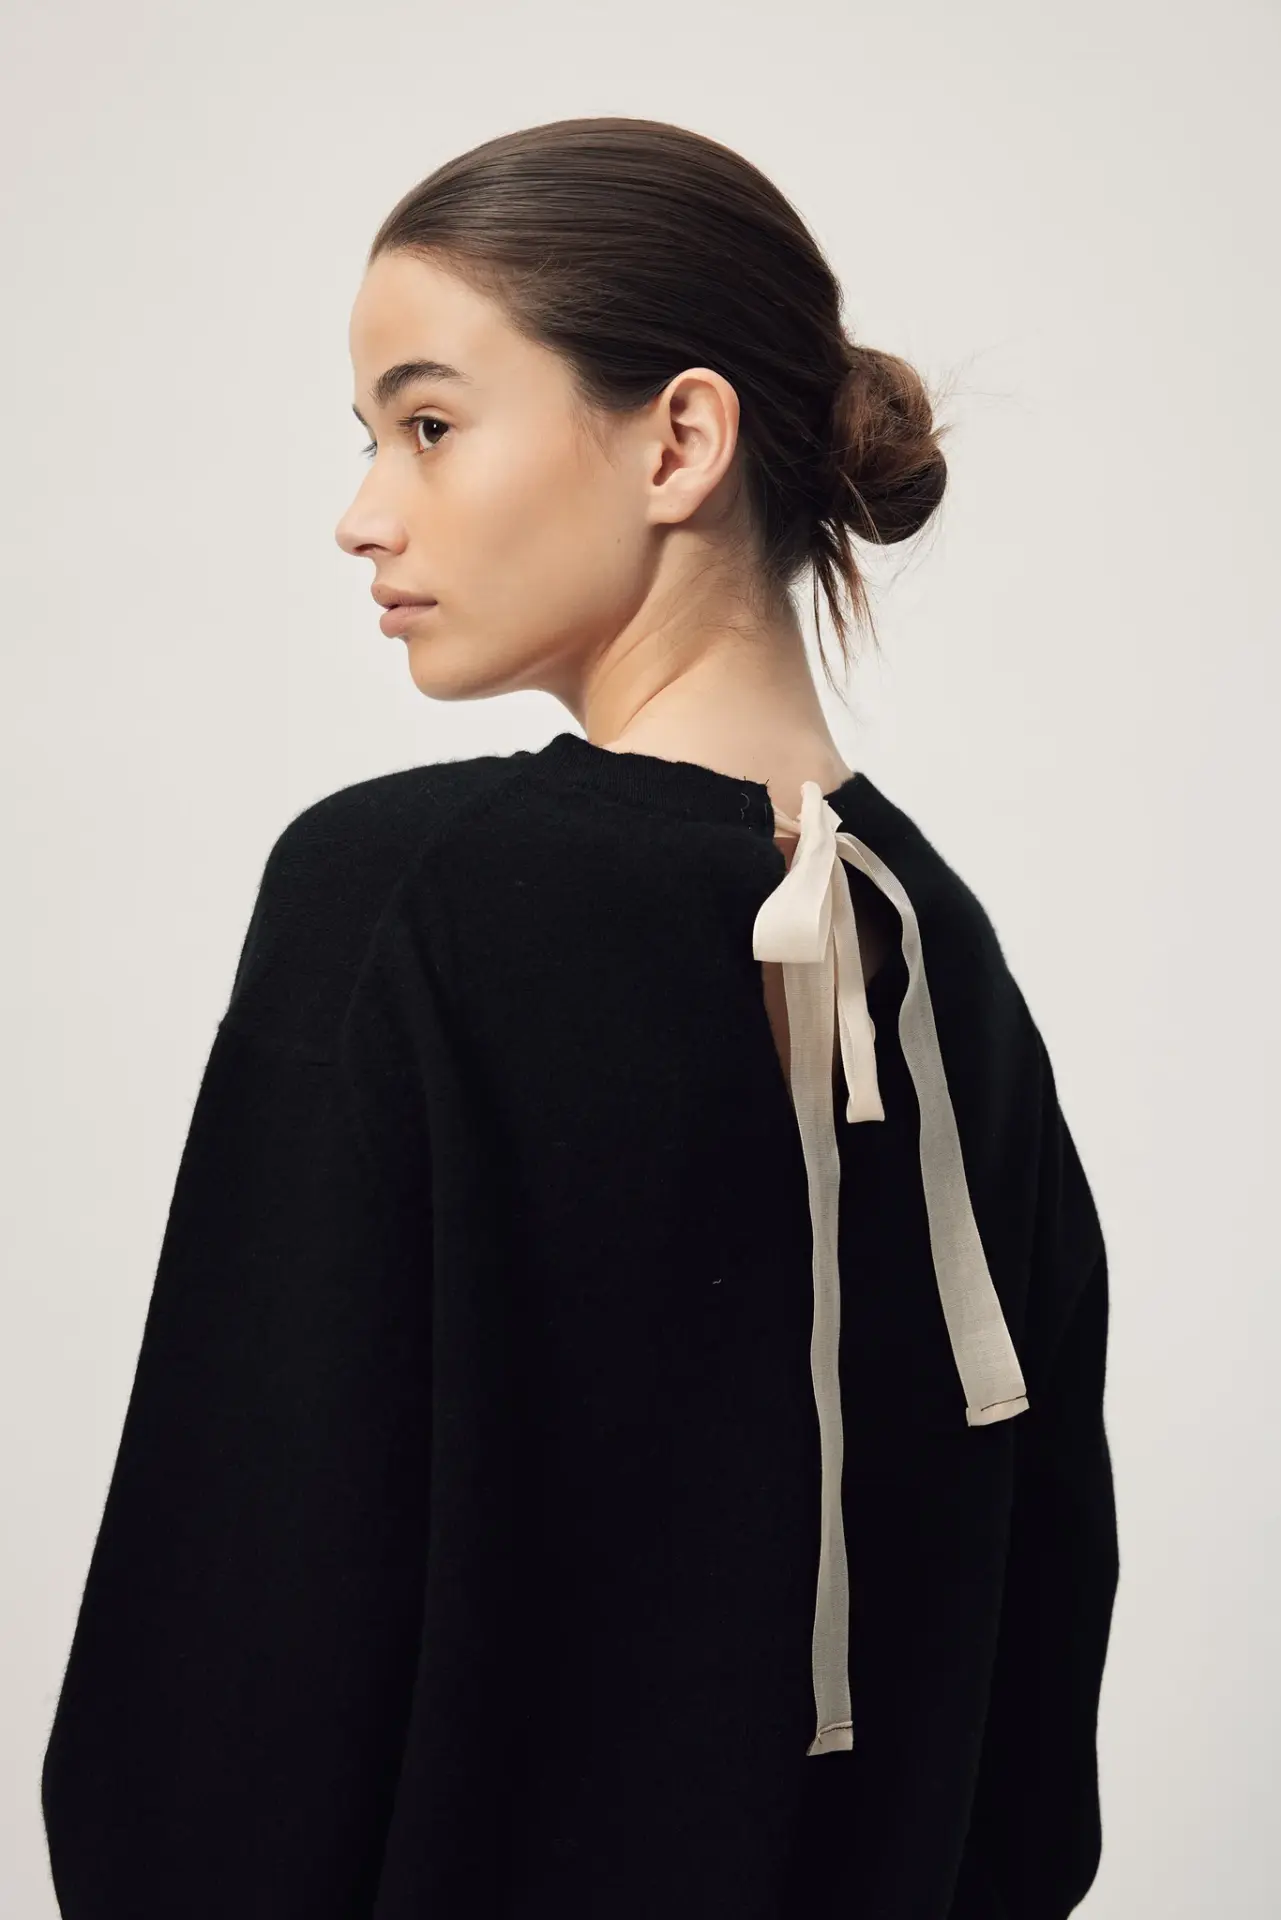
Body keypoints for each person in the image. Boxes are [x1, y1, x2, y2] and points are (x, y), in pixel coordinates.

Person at [40, 116, 1118, 1920]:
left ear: (678, 440)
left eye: (428, 424)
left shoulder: (404, 902)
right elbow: (1031, 1759)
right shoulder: (954, 971)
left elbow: (220, 1693)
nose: (364, 511)